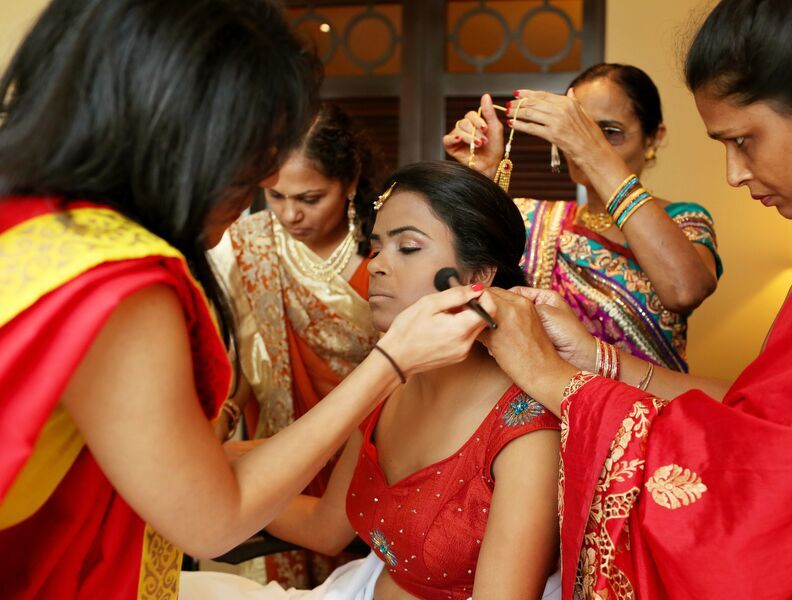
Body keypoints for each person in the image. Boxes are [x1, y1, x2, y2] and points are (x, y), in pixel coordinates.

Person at [0, 2, 496, 598]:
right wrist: (390, 364)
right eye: (255, 146)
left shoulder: (33, 227)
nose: (266, 181)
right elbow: (217, 519)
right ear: (173, 128)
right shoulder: (116, 286)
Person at [480, 0, 792, 597]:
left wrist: (555, 382)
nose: (733, 172)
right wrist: (597, 363)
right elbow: (762, 413)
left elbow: (767, 484)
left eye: (743, 140)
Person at [181, 161, 562, 600]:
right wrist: (219, 477)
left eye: (409, 247)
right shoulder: (394, 380)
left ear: (478, 277)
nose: (377, 265)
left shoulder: (526, 430)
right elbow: (326, 527)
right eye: (376, 246)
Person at [444, 63, 722, 372]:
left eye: (609, 132)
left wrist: (591, 147)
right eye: (576, 128)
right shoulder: (532, 218)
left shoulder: (684, 221)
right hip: (545, 413)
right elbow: (464, 284)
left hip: (642, 413)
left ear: (653, 137)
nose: (582, 142)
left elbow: (684, 290)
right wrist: (482, 178)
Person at [209, 103, 381, 587]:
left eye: (310, 197)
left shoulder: (388, 245)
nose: (289, 214)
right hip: (279, 450)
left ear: (349, 182)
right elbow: (248, 361)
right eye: (275, 196)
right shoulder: (246, 244)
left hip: (373, 454)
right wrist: (222, 420)